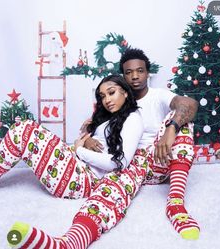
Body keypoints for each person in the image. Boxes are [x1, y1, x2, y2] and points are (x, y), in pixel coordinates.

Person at [0, 75, 144, 248]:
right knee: (23, 129)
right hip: (76, 164)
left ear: (125, 93)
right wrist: (85, 141)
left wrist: (80, 150)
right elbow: (88, 143)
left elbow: (118, 163)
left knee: (24, 130)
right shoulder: (109, 119)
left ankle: (68, 243)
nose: (107, 100)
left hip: (83, 178)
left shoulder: (133, 118)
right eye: (102, 96)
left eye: (111, 93)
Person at [83, 48, 200, 240]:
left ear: (148, 73)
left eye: (140, 71)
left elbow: (190, 104)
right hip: (131, 165)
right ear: (123, 76)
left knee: (182, 120)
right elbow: (95, 126)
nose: (135, 76)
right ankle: (79, 234)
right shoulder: (116, 99)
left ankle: (175, 203)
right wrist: (87, 139)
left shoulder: (158, 95)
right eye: (128, 73)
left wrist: (171, 128)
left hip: (160, 159)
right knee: (109, 191)